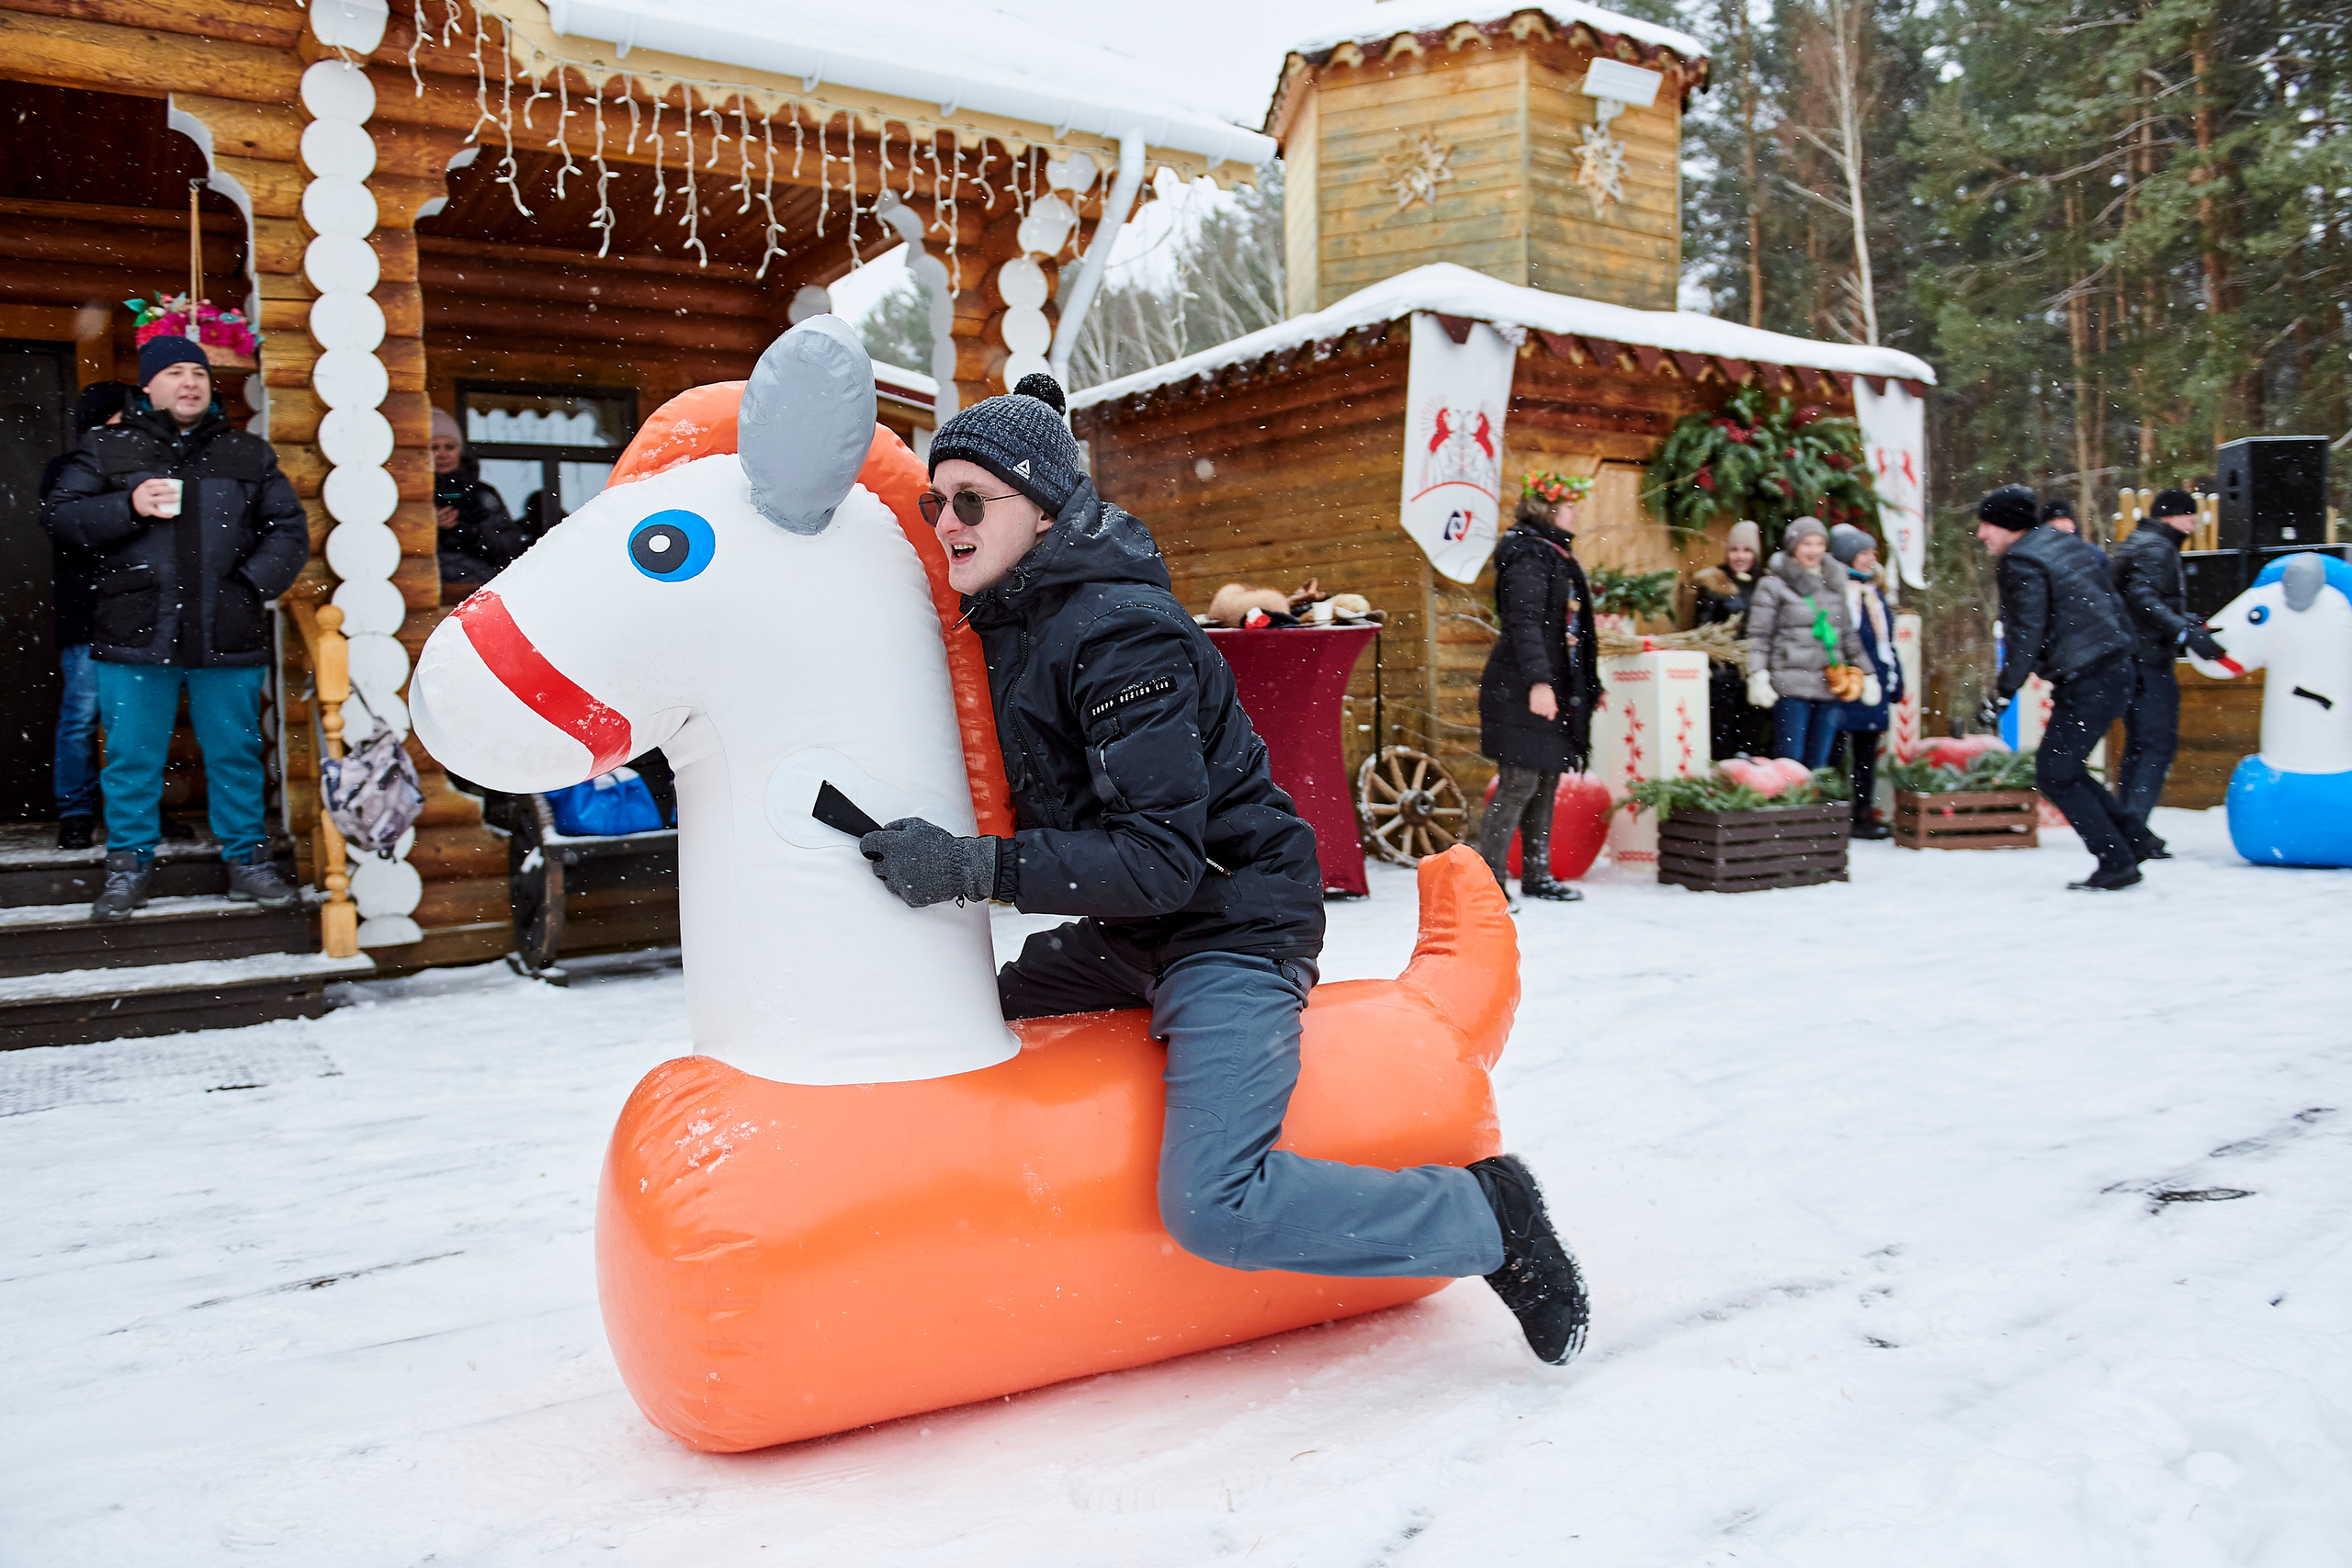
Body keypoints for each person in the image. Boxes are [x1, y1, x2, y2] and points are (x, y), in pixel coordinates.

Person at [854, 373, 1590, 1366]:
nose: (947, 522)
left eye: (972, 501)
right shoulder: (1015, 620)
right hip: (1136, 932)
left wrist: (967, 867)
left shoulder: (1119, 635)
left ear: (1046, 510)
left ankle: (1487, 1216)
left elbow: (1157, 861)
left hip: (1229, 924)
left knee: (1215, 1204)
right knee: (961, 1020)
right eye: (933, 502)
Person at [42, 337, 307, 918]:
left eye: (198, 373)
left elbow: (288, 529)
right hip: (135, 628)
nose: (190, 382)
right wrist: (128, 505)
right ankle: (127, 868)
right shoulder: (106, 447)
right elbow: (61, 517)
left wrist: (249, 587)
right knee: (131, 758)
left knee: (236, 754)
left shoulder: (247, 452)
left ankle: (247, 863)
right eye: (175, 373)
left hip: (226, 630)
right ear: (148, 386)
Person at [1974, 484, 2146, 889]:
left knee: (2056, 773)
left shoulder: (2021, 560)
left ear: (2008, 525)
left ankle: (2117, 862)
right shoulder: (2065, 545)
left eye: (1986, 525)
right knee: (2064, 768)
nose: (1981, 535)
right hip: (2114, 667)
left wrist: (2003, 692)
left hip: (2089, 675)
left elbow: (2026, 633)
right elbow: (2112, 603)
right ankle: (2133, 840)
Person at [1473, 471, 1600, 905]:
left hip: (1547, 682)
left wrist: (1587, 683)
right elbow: (1524, 623)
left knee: (1545, 780)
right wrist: (1539, 682)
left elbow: (1559, 625)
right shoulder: (1529, 554)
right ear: (1548, 508)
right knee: (1518, 783)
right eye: (1570, 505)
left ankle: (1537, 874)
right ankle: (1488, 883)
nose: (1576, 513)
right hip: (1520, 685)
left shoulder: (1552, 551)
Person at [2106, 488, 2226, 855]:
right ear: (2171, 516)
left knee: (2139, 746)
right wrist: (2183, 632)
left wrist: (2184, 620)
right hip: (2147, 659)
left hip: (2130, 656)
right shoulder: (2158, 547)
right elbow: (2143, 598)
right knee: (2156, 745)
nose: (2194, 523)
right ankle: (2133, 831)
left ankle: (2127, 827)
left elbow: (2136, 598)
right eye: (2189, 515)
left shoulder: (2140, 541)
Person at [42, 382, 130, 850]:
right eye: (124, 416)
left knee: (134, 720)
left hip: (138, 614)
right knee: (81, 716)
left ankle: (136, 808)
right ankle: (75, 811)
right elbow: (72, 530)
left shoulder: (148, 467)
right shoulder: (66, 471)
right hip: (87, 613)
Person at [1745, 518, 1871, 769]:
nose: (1813, 550)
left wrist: (1868, 673)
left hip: (1829, 684)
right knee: (1791, 761)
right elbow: (1759, 635)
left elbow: (1847, 634)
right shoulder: (1773, 585)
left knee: (1820, 764)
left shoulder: (1834, 582)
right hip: (1791, 685)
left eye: (1819, 543)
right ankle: (1792, 795)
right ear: (1793, 547)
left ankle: (1817, 796)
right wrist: (1757, 673)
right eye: (1806, 544)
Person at [1827, 523, 1904, 839]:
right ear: (1848, 556)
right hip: (1845, 680)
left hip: (1875, 680)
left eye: (1873, 552)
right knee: (1833, 751)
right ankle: (1830, 814)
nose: (1872, 558)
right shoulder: (1835, 591)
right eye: (1865, 553)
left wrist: (1895, 675)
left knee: (1866, 753)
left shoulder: (1874, 593)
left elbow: (1885, 642)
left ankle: (1863, 812)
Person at [1690, 519, 1767, 760]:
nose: (1740, 556)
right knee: (1721, 734)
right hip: (1724, 671)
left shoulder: (1764, 584)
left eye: (1747, 550)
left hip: (1754, 670)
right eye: (1734, 549)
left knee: (1751, 735)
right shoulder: (1715, 583)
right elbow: (1704, 627)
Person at [430, 408, 526, 589]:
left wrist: (473, 532)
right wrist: (429, 525)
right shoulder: (411, 495)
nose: (442, 454)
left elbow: (509, 547)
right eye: (434, 447)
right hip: (425, 588)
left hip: (481, 588)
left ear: (460, 450)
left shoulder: (482, 494)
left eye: (450, 447)